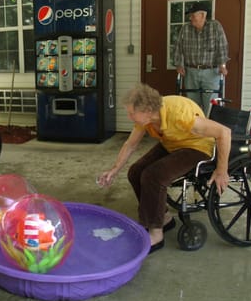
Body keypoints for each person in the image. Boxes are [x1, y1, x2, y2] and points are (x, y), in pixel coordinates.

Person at [97, 83, 231, 253]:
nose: (130, 117)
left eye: (132, 113)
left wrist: (221, 170)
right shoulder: (146, 120)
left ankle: (156, 233)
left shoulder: (181, 115)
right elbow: (130, 144)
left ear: (147, 110)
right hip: (173, 143)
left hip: (197, 147)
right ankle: (164, 218)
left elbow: (224, 132)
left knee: (154, 175)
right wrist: (114, 170)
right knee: (136, 172)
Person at [174, 2, 229, 114]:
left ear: (203, 15)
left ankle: (208, 129)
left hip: (211, 72)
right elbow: (178, 47)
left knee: (210, 104)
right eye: (190, 16)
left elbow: (222, 46)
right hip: (191, 71)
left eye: (193, 15)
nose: (190, 18)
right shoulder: (186, 28)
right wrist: (179, 64)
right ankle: (195, 129)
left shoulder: (215, 26)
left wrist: (222, 65)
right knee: (192, 105)